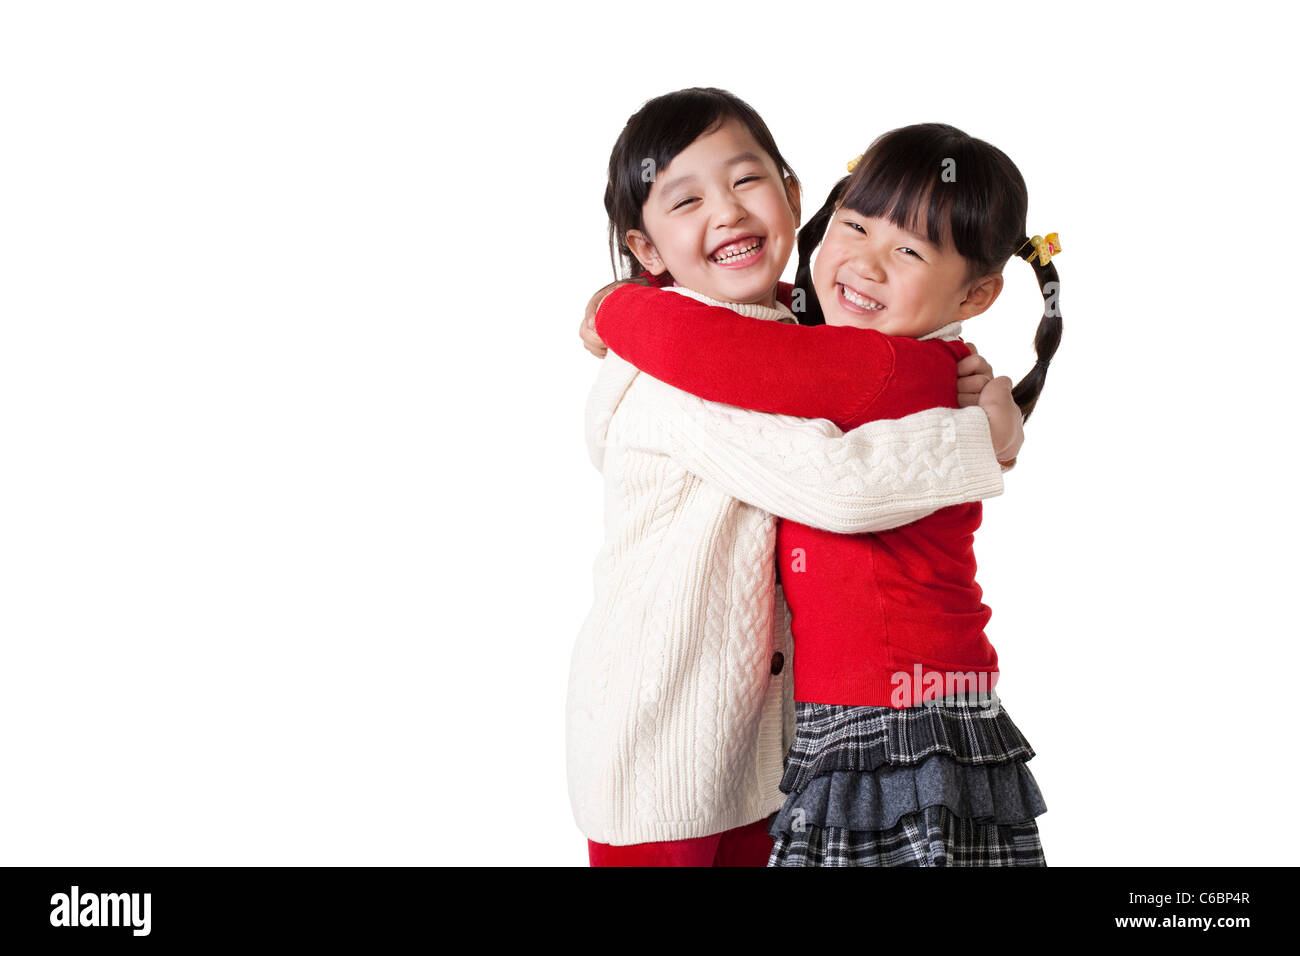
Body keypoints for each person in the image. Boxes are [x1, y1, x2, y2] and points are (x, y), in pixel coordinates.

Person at [571, 89, 1024, 866]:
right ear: (648, 250)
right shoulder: (674, 373)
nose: (728, 213)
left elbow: (787, 360)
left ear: (792, 196)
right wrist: (978, 439)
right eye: (687, 200)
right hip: (664, 746)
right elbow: (837, 487)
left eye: (748, 182)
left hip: (769, 750)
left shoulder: (806, 342)